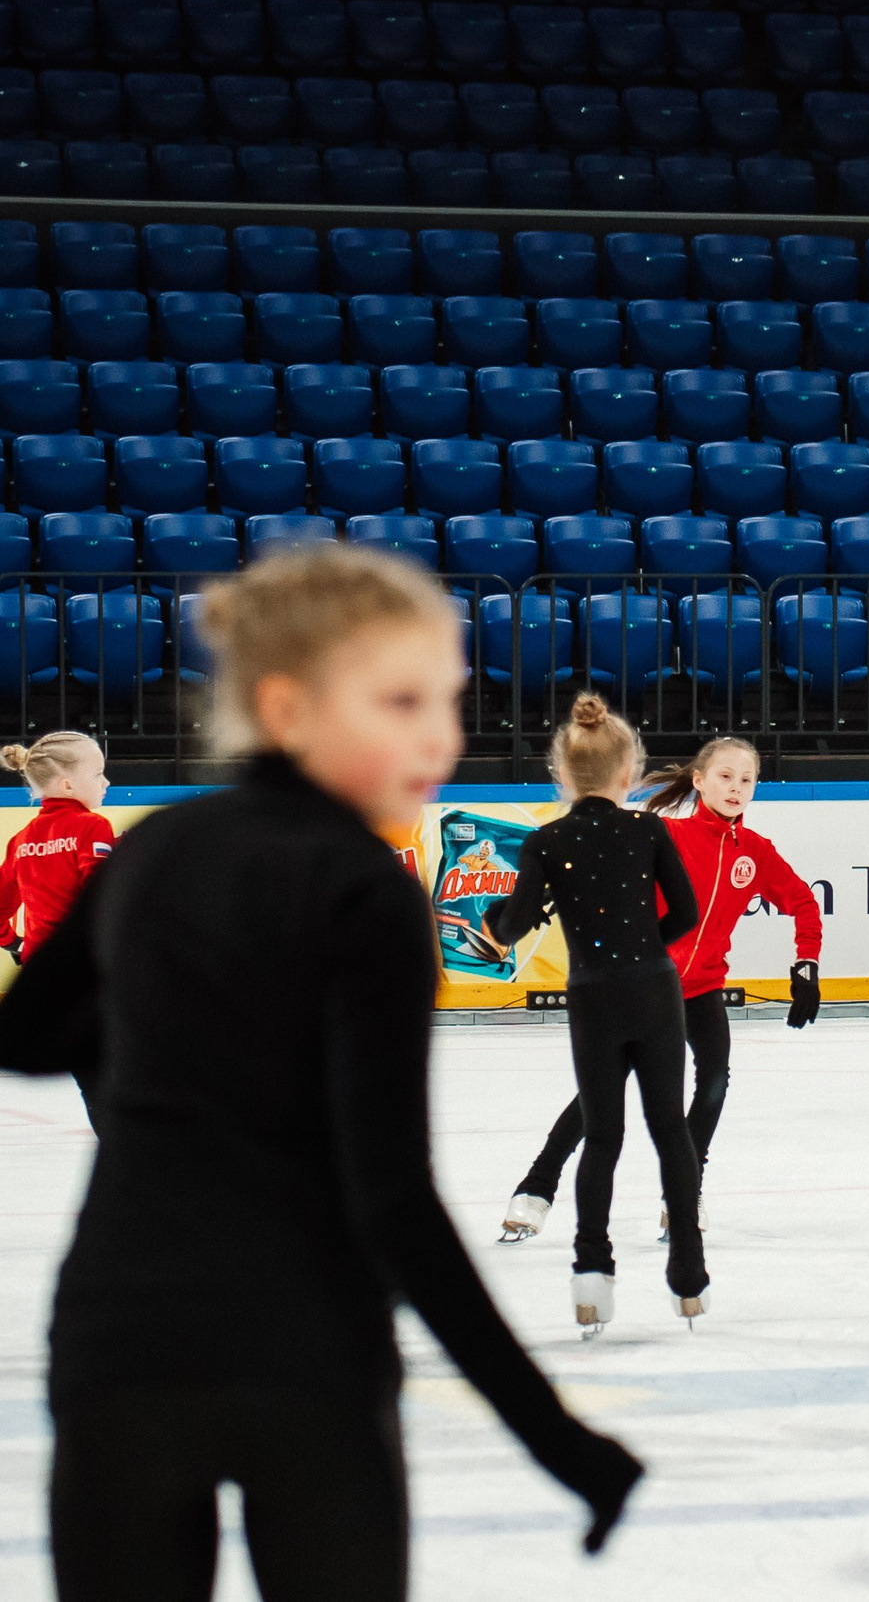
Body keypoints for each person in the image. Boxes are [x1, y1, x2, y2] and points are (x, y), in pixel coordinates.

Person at [0, 544, 641, 1600]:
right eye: (401, 700)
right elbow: (391, 1198)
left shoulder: (161, 847)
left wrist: (163, 1046)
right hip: (303, 1355)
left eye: (446, 698)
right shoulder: (361, 887)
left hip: (119, 1343)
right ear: (289, 707)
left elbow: (25, 1035)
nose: (441, 733)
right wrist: (553, 1434)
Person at [499, 735, 827, 1246]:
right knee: (602, 1093)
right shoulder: (665, 834)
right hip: (647, 984)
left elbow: (804, 903)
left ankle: (685, 1192)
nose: (736, 788)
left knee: (715, 1075)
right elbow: (598, 866)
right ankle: (536, 1189)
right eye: (725, 776)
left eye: (747, 780)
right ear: (698, 781)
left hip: (701, 990)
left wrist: (806, 963)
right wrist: (547, 893)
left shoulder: (757, 854)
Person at [481, 694, 706, 1336]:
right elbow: (685, 916)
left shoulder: (547, 842)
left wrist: (505, 919)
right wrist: (644, 951)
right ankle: (688, 1272)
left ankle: (591, 1276)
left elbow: (511, 926)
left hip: (594, 1000)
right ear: (627, 770)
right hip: (656, 993)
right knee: (670, 1128)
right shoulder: (648, 829)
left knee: (602, 1139)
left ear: (562, 774)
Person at [0, 731, 115, 968]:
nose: (106, 782)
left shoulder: (20, 841)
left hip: (38, 968)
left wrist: (12, 942)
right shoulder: (92, 826)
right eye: (98, 774)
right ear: (67, 785)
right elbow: (100, 894)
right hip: (82, 964)